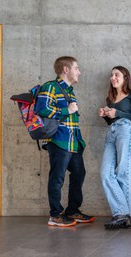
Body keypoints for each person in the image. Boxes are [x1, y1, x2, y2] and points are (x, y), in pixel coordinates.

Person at [36, 56, 94, 227]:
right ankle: (55, 215)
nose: (79, 72)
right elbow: (41, 109)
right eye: (76, 68)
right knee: (57, 178)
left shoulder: (69, 91)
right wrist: (66, 110)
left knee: (79, 173)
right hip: (59, 141)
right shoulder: (50, 87)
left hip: (73, 142)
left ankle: (72, 211)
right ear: (66, 69)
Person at [99, 66, 131, 229]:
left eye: (116, 75)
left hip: (126, 130)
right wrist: (106, 115)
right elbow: (111, 121)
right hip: (111, 133)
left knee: (123, 173)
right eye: (111, 75)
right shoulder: (109, 98)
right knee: (105, 173)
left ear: (125, 77)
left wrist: (118, 113)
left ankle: (121, 215)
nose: (113, 77)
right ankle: (124, 214)